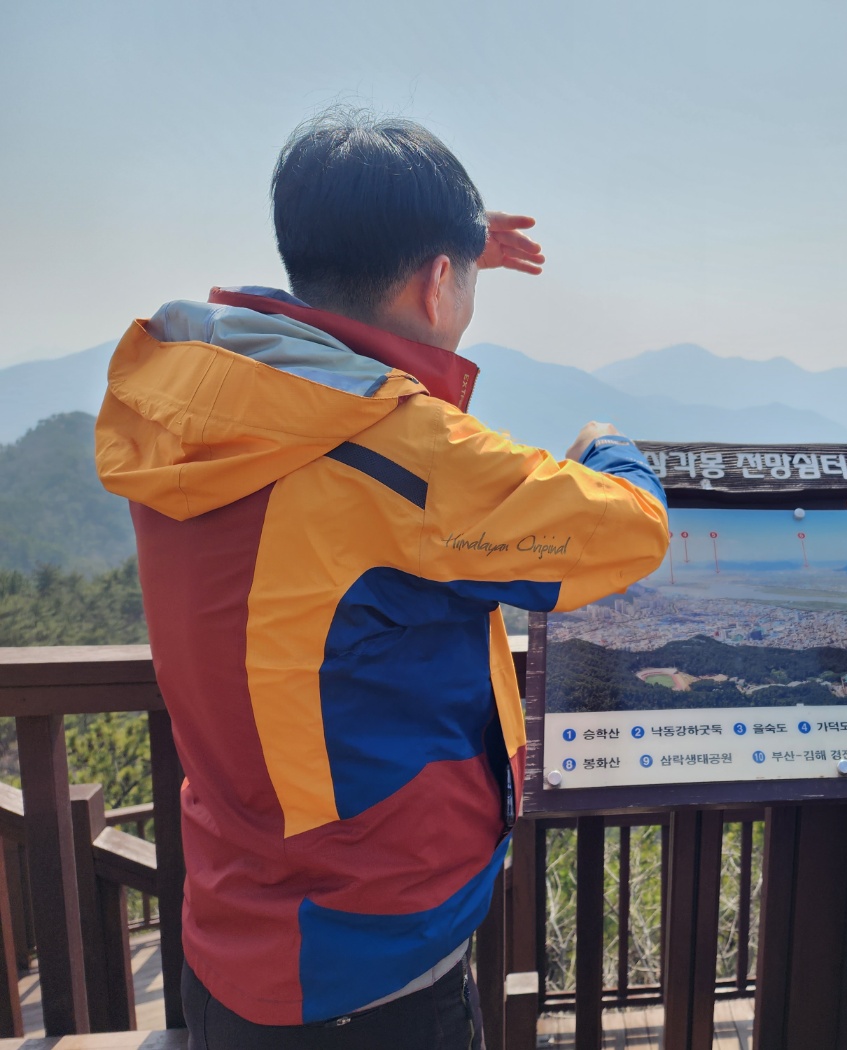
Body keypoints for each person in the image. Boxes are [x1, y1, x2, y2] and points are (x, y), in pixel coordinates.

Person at [95, 109, 669, 1049]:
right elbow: (631, 531)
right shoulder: (398, 450)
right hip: (370, 958)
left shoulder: (195, 397)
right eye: (459, 274)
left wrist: (447, 243)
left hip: (230, 925)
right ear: (438, 282)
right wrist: (609, 444)